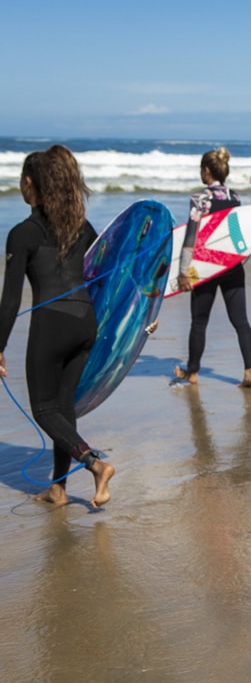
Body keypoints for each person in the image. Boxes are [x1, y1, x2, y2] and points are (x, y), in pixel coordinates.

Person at [0, 145, 116, 508]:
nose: (21, 185)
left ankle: (95, 464)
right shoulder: (82, 228)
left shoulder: (23, 233)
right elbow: (106, 278)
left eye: (23, 179)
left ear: (32, 184)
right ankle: (59, 489)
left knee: (44, 409)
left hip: (52, 325)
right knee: (63, 408)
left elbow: (10, 300)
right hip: (85, 324)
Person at [173, 147, 251, 389]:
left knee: (199, 321)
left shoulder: (200, 199)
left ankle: (192, 372)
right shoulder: (236, 198)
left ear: (207, 170)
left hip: (206, 266)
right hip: (231, 265)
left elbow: (191, 237)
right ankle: (250, 371)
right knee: (241, 320)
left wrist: (183, 272)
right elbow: (237, 232)